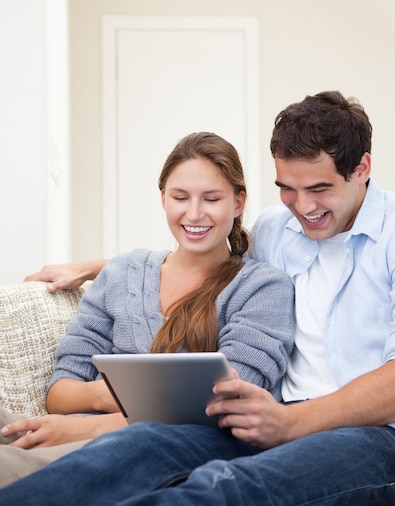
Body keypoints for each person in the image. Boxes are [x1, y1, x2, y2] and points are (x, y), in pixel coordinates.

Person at [2, 90, 395, 505]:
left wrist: (289, 422)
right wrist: (99, 268)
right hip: (269, 421)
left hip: (381, 436)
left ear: (362, 168)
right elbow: (203, 251)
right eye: (287, 188)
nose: (303, 206)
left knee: (225, 489)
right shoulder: (280, 227)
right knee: (143, 444)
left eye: (319, 188)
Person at [0, 131, 294, 487]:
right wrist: (116, 394)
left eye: (212, 198)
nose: (194, 213)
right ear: (163, 199)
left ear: (238, 203)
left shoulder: (262, 288)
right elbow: (60, 393)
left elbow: (226, 407)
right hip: (69, 430)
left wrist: (85, 425)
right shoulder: (123, 273)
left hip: (146, 450)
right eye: (180, 197)